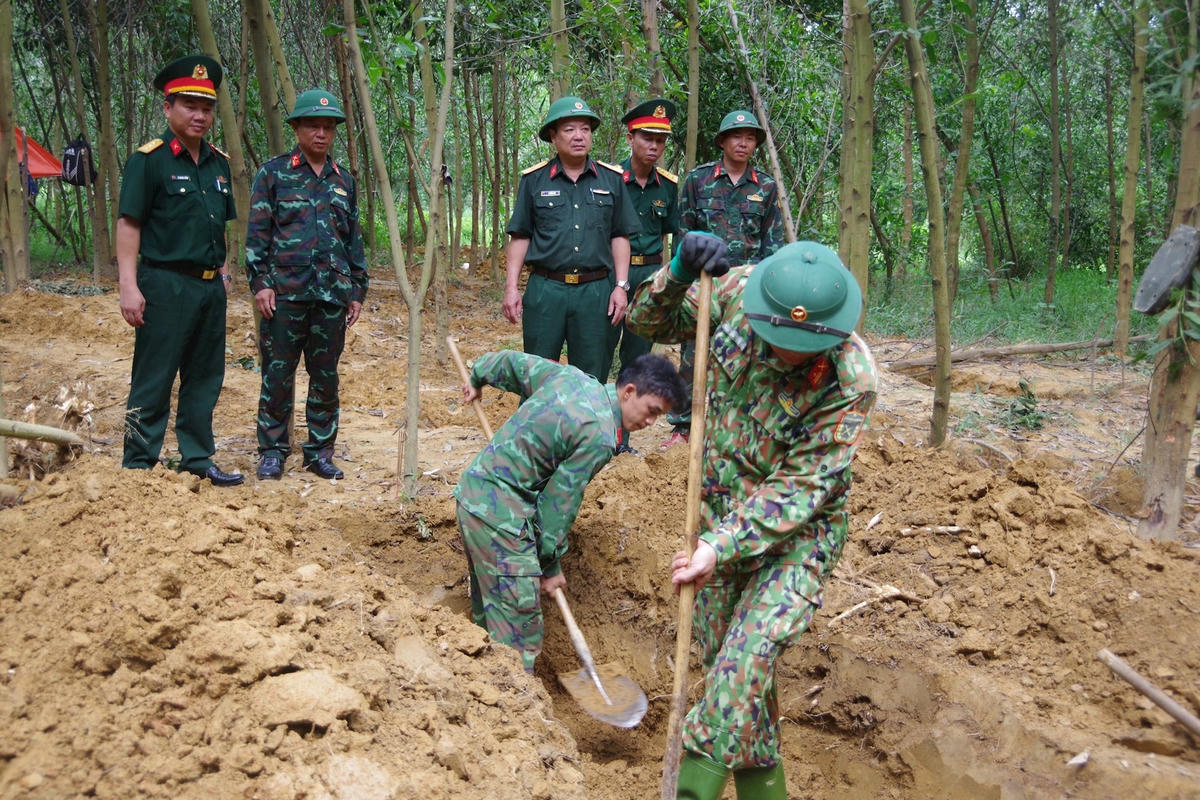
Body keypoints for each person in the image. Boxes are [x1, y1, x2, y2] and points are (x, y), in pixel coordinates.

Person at [626, 233, 877, 800]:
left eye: (798, 345)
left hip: (796, 538)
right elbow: (647, 318)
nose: (783, 351)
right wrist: (680, 270)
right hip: (715, 516)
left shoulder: (851, 378)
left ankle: (691, 790)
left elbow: (804, 484)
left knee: (745, 661)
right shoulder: (736, 291)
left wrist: (720, 545)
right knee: (739, 682)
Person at [452, 351, 686, 672]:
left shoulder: (573, 378)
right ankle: (517, 707)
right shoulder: (599, 436)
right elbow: (556, 509)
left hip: (472, 495)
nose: (650, 424)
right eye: (651, 412)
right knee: (520, 632)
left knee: (491, 608)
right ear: (629, 391)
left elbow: (511, 364)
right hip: (501, 520)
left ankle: (480, 682)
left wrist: (478, 376)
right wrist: (549, 564)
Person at [116, 54, 242, 486]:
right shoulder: (149, 161)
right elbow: (129, 223)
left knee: (205, 377)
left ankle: (197, 457)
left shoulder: (218, 163)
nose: (200, 115)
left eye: (207, 108)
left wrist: (224, 272)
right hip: (165, 285)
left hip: (209, 288)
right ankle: (138, 464)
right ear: (167, 107)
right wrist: (128, 286)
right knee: (154, 375)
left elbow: (218, 225)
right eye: (189, 105)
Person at [245, 89, 369, 481]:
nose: (321, 133)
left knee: (325, 375)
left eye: (329, 126)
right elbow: (257, 236)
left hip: (330, 295)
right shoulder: (274, 174)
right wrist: (261, 283)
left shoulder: (344, 180)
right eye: (313, 125)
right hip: (284, 296)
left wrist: (356, 290)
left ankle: (319, 451)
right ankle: (273, 450)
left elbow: (353, 241)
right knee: (278, 376)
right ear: (297, 127)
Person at [664, 109, 785, 449]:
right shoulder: (698, 181)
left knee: (745, 355)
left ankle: (738, 423)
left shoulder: (766, 187)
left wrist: (767, 290)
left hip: (746, 289)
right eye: (737, 136)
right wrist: (682, 281)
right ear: (722, 141)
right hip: (703, 284)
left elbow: (771, 244)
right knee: (693, 354)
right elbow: (684, 235)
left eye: (750, 138)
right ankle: (683, 426)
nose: (743, 143)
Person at [502, 96, 642, 384]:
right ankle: (541, 429)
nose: (579, 136)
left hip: (595, 293)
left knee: (591, 379)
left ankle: (585, 429)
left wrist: (621, 287)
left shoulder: (612, 180)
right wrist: (511, 287)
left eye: (585, 129)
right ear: (553, 136)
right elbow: (520, 236)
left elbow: (620, 236)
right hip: (546, 291)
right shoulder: (534, 180)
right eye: (569, 130)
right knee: (537, 376)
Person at [608, 97, 681, 453]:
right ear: (631, 138)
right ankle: (597, 435)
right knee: (598, 356)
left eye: (661, 141)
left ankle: (622, 440)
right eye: (647, 138)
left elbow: (675, 234)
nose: (654, 147)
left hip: (649, 278)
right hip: (612, 277)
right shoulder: (608, 179)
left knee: (635, 362)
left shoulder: (668, 186)